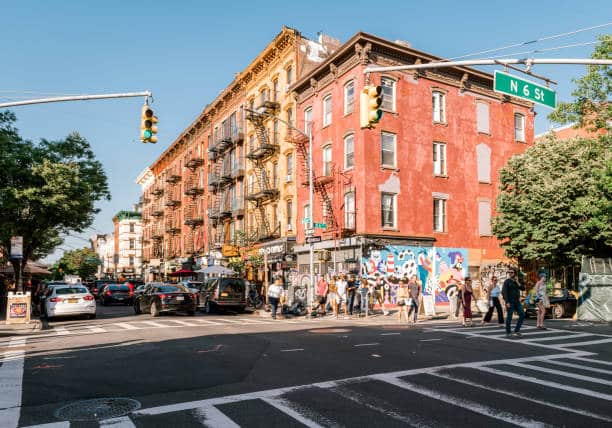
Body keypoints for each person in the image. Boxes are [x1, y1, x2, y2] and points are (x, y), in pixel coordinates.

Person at [502, 268, 525, 337]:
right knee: (509, 317)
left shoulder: (517, 281)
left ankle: (517, 330)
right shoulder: (507, 281)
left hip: (517, 301)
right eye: (509, 272)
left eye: (511, 272)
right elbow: (504, 292)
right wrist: (507, 302)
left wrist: (517, 282)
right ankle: (508, 332)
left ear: (515, 273)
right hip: (510, 301)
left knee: (522, 314)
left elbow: (523, 288)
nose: (510, 273)